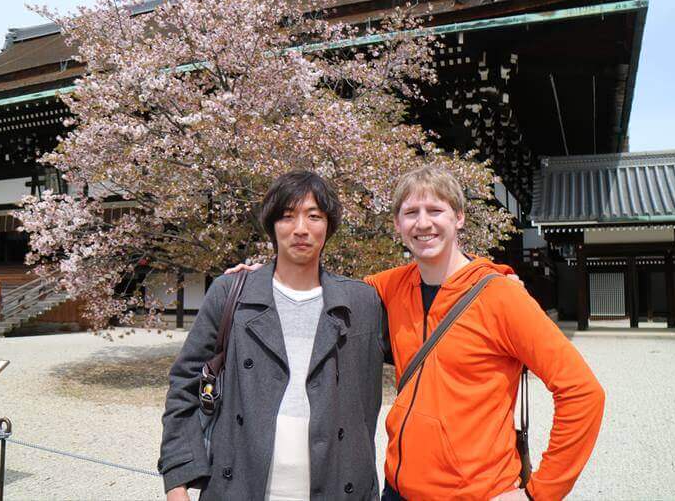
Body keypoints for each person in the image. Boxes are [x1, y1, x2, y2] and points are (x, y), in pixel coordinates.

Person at [229, 165, 605, 501]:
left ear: (458, 218)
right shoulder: (387, 288)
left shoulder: (501, 296)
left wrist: (540, 493)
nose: (423, 224)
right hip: (398, 487)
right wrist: (262, 278)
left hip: (474, 492)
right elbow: (319, 291)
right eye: (411, 213)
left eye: (435, 211)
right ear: (398, 225)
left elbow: (582, 392)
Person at [159, 171, 388, 500]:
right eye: (287, 216)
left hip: (337, 484)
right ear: (271, 226)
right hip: (241, 484)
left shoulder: (362, 302)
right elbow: (185, 384)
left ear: (329, 226)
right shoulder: (232, 293)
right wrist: (177, 482)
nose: (300, 229)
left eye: (314, 216)